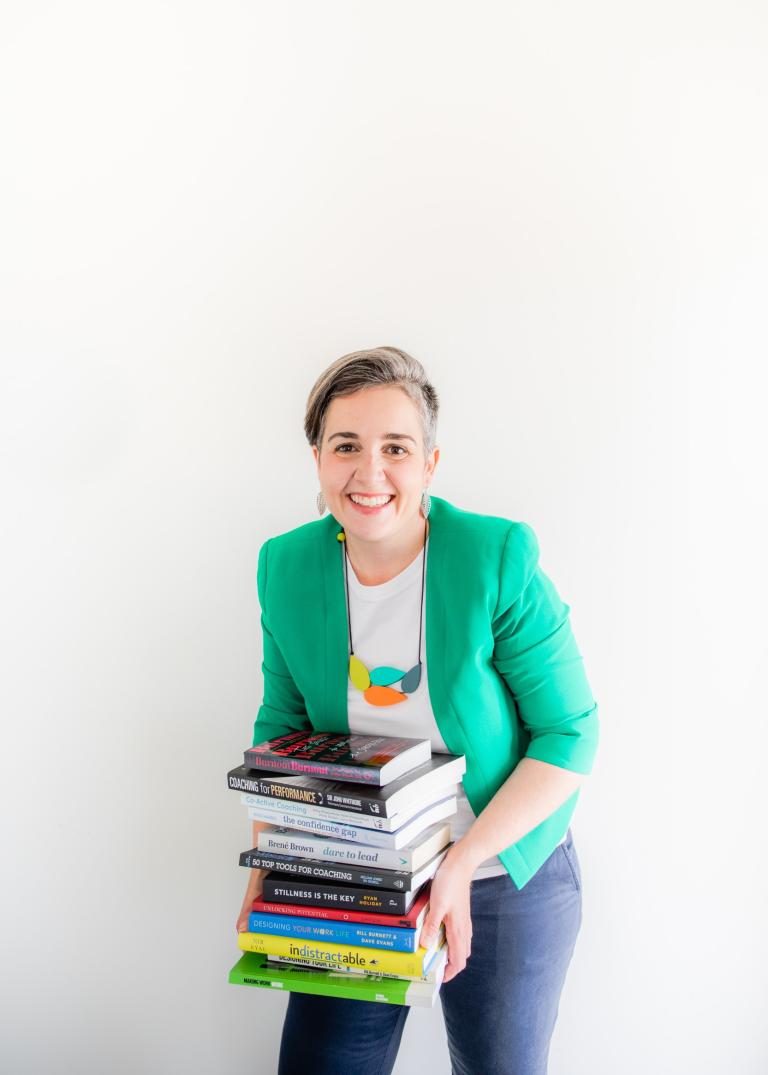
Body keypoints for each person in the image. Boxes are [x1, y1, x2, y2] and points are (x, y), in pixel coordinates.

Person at [236, 346, 599, 1075]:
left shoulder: (496, 556)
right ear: (317, 459)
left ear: (429, 463)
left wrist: (462, 864)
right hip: (359, 875)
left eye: (395, 448)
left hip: (501, 873)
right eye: (346, 446)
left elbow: (570, 732)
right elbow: (283, 727)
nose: (369, 472)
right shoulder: (286, 564)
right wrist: (273, 856)